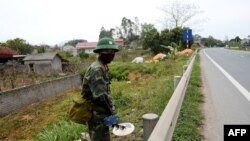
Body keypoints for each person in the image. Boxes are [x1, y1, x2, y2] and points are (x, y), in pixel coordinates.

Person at [81, 37, 119, 141]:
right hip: (96, 115)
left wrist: (111, 111)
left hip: (101, 113)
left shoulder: (103, 66)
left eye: (112, 51)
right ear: (100, 52)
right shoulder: (97, 69)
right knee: (100, 138)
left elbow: (105, 93)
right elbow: (101, 97)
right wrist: (112, 117)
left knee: (105, 136)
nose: (111, 53)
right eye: (107, 51)